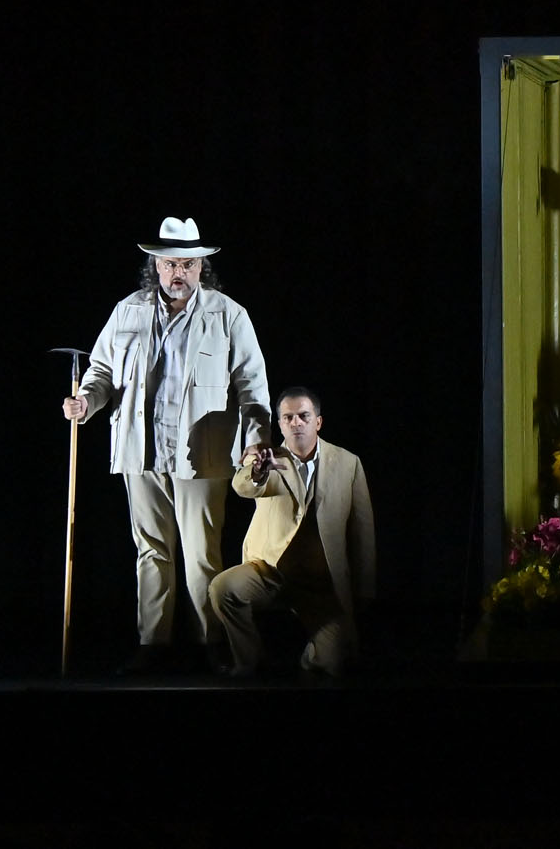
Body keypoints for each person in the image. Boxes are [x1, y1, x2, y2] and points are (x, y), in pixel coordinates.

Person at [61, 216, 272, 671]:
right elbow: (101, 370)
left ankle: (210, 642)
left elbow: (252, 386)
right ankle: (152, 644)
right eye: (171, 264)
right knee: (150, 548)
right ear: (155, 266)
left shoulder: (228, 314)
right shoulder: (128, 311)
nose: (180, 273)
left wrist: (256, 442)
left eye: (188, 264)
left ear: (201, 268)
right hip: (141, 449)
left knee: (201, 552)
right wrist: (86, 401)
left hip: (203, 453)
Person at [209, 385, 376, 677]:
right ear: (280, 424)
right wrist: (259, 471)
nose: (296, 422)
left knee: (334, 662)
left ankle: (312, 658)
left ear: (318, 422)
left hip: (320, 583)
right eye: (288, 418)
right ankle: (249, 661)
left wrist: (364, 590)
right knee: (223, 588)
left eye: (303, 416)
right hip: (268, 572)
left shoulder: (348, 464)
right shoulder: (266, 458)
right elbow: (243, 486)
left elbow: (362, 533)